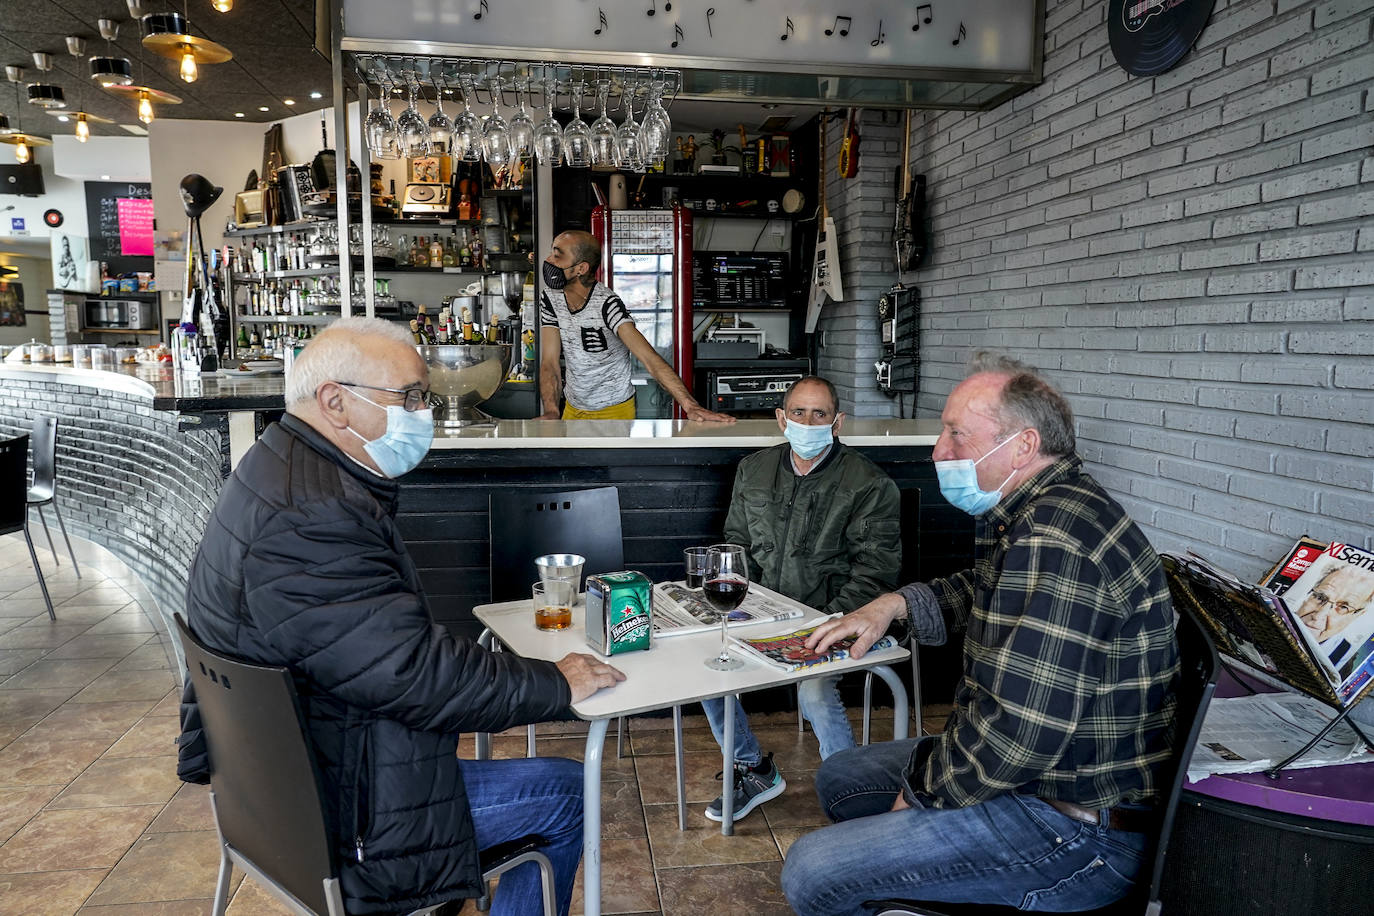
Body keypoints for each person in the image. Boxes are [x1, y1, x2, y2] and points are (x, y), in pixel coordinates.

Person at [176, 317, 625, 916]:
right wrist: (556, 681)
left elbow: (379, 651)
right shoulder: (314, 516)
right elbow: (413, 674)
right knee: (570, 791)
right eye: (410, 396)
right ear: (334, 401)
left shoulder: (275, 466)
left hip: (287, 785)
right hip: (348, 813)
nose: (424, 413)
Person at [780, 352, 1180, 915]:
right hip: (1037, 779)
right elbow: (983, 587)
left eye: (956, 435)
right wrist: (892, 605)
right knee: (843, 777)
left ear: (1022, 446)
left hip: (1075, 827)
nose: (939, 452)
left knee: (812, 871)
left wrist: (920, 796)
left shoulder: (1057, 541)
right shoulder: (1041, 511)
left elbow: (1019, 736)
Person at [700, 376, 901, 822]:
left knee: (813, 689)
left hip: (833, 615)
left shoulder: (868, 483)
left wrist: (828, 623)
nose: (808, 422)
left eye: (820, 414)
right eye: (798, 413)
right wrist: (748, 603)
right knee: (706, 661)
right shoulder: (753, 469)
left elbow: (875, 571)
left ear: (837, 421)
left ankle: (854, 791)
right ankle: (752, 767)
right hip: (763, 610)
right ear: (781, 418)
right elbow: (735, 543)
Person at [538, 230, 734, 422]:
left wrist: (690, 406)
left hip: (614, 412)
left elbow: (649, 358)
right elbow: (549, 362)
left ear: (581, 268)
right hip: (573, 408)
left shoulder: (607, 304)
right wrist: (552, 411)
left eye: (557, 256)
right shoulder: (550, 297)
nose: (548, 260)